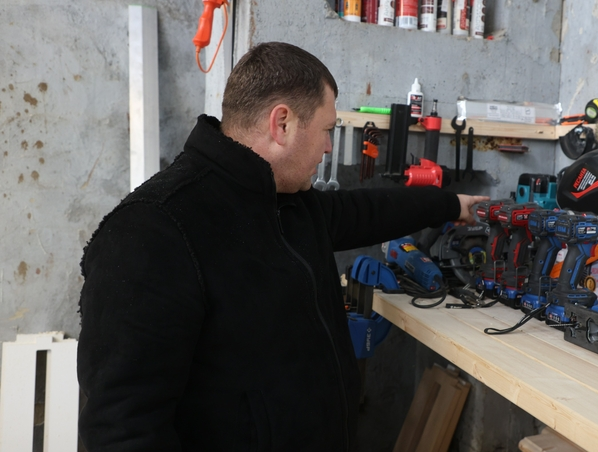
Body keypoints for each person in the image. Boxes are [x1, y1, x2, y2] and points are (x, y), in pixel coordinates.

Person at [77, 41, 488, 451]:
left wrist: (451, 205)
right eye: (327, 130)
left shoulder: (287, 201)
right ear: (283, 124)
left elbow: (365, 211)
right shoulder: (151, 232)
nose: (329, 147)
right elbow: (122, 428)